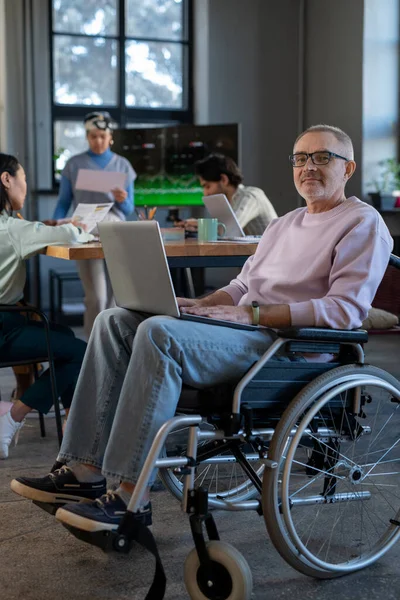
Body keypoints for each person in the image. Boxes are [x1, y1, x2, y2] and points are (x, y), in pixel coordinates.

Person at [11, 125, 393, 533]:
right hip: (243, 333)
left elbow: (345, 310)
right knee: (115, 320)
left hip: (285, 348)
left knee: (160, 333)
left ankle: (129, 496)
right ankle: (84, 472)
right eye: (300, 158)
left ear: (348, 167)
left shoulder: (361, 223)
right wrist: (204, 304)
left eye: (322, 157)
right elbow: (243, 285)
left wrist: (254, 315)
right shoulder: (285, 224)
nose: (308, 167)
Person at [0, 153, 95, 459]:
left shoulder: (11, 226)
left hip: (10, 321)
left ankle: (72, 424)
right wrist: (78, 226)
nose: (25, 187)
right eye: (23, 178)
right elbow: (68, 234)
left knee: (64, 336)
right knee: (79, 352)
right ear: (6, 179)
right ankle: (11, 419)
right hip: (4, 328)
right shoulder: (10, 230)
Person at [51, 111, 137, 338]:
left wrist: (122, 199)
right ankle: (91, 345)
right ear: (87, 137)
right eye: (93, 136)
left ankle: (112, 344)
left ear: (111, 137)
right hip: (85, 232)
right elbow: (63, 202)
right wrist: (55, 227)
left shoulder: (123, 165)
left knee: (116, 295)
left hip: (116, 232)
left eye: (102, 136)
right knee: (95, 296)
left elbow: (129, 209)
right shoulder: (74, 164)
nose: (98, 141)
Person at [180, 153, 277, 235]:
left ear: (224, 179)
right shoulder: (228, 202)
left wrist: (198, 224)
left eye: (208, 186)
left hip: (274, 255)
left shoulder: (250, 196)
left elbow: (229, 229)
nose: (205, 193)